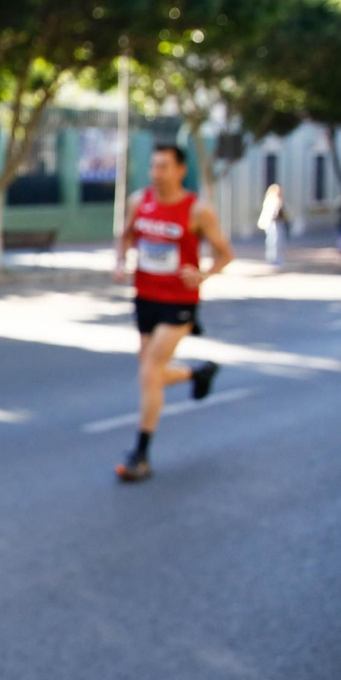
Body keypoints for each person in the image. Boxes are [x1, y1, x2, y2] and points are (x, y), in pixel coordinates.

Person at [111, 144, 235, 483]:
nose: (156, 173)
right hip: (146, 297)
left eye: (164, 166)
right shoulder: (140, 202)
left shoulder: (198, 210)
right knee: (150, 370)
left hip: (179, 301)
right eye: (153, 166)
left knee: (150, 370)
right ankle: (198, 374)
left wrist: (205, 274)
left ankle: (140, 454)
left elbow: (225, 254)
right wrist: (120, 262)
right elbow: (124, 237)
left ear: (181, 170)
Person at [257, 183, 288, 267]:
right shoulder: (273, 199)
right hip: (273, 223)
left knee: (275, 241)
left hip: (276, 223)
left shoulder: (274, 199)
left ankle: (274, 259)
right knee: (274, 241)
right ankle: (274, 259)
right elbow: (272, 213)